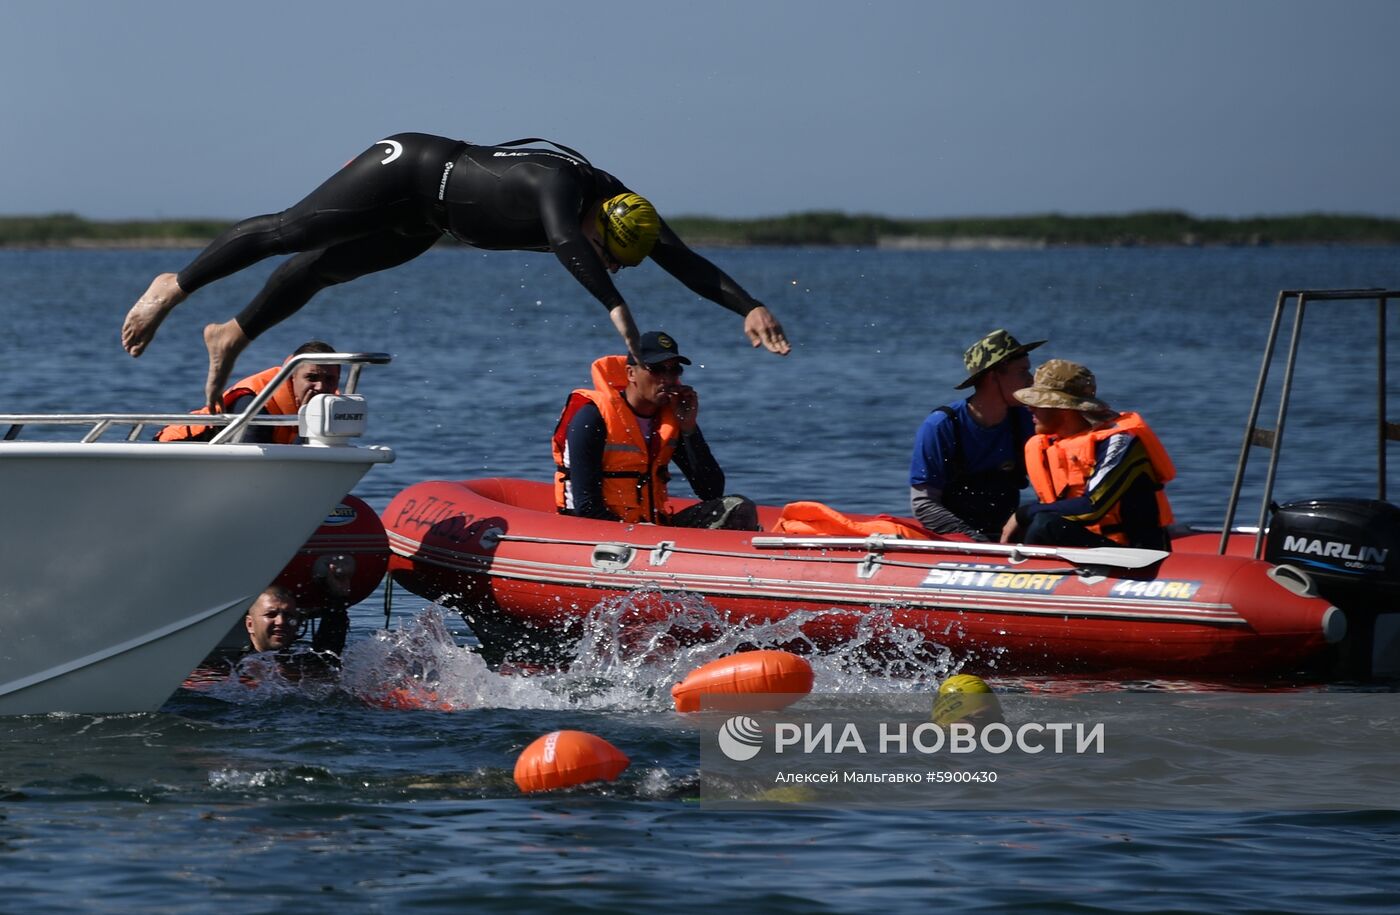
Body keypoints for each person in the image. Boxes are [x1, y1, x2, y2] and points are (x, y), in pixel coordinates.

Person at [121, 133, 790, 412]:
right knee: (293, 230)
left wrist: (749, 305)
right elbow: (564, 240)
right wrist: (618, 310)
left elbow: (685, 261)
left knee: (322, 272)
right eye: (610, 252)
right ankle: (172, 287)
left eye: (619, 262)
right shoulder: (565, 187)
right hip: (411, 169)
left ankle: (232, 333)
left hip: (428, 222)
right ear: (599, 223)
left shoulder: (625, 206)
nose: (612, 263)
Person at [552, 330, 759, 530]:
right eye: (657, 369)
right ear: (631, 373)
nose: (667, 378)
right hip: (599, 531)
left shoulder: (670, 422)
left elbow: (711, 491)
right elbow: (586, 507)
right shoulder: (593, 418)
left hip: (652, 529)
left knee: (738, 507)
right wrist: (640, 533)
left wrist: (689, 428)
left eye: (674, 370)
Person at [1000, 359, 1175, 550]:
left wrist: (1023, 513)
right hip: (1089, 546)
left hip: (1134, 552)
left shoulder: (1119, 443)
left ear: (1064, 408)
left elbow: (1093, 507)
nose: (1029, 408)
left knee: (1044, 524)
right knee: (1036, 522)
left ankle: (1027, 572)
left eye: (1038, 402)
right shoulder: (1050, 445)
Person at [909, 329, 1043, 541]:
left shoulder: (1027, 421)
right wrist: (975, 541)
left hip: (1005, 533)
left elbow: (1049, 491)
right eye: (1022, 371)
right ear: (993, 376)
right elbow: (924, 504)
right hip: (955, 540)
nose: (1031, 380)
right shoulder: (941, 426)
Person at [156, 340, 341, 443]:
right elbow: (252, 468)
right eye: (311, 378)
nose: (321, 387)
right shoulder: (255, 403)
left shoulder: (336, 408)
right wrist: (309, 423)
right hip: (174, 453)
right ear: (291, 376)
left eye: (330, 379)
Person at [244, 585, 303, 653]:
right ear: (250, 624)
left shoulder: (306, 659)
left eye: (289, 615)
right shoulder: (238, 663)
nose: (281, 621)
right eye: (271, 615)